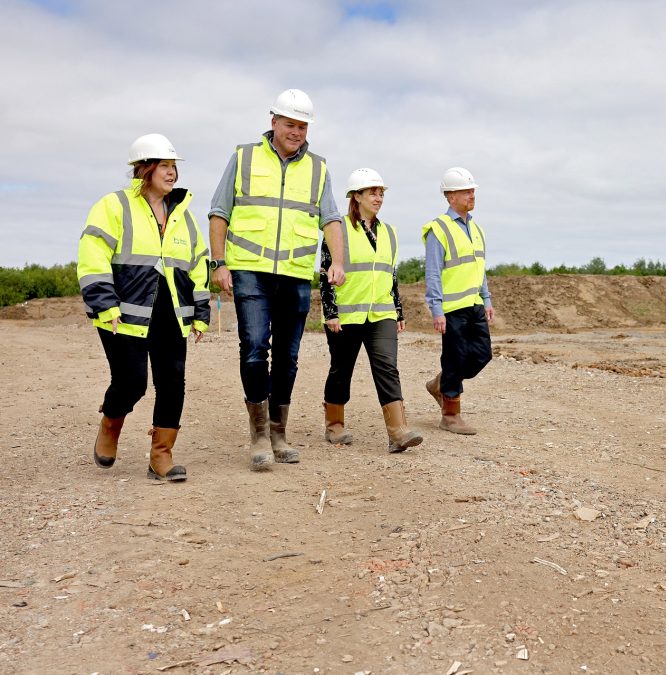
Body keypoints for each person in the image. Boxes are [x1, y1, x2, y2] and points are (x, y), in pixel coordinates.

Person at [207, 89, 346, 471]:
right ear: (273, 122)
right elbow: (219, 212)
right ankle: (258, 437)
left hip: (296, 275)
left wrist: (338, 261)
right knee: (254, 348)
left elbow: (331, 218)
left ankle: (278, 431)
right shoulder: (244, 158)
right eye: (290, 124)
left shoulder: (318, 168)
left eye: (303, 126)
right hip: (250, 270)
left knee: (288, 356)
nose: (296, 132)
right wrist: (218, 262)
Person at [77, 133, 210, 482]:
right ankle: (110, 424)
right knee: (132, 382)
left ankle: (161, 456)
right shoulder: (114, 205)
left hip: (171, 313)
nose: (171, 173)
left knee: (172, 383)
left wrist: (200, 313)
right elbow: (93, 255)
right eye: (164, 166)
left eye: (173, 166)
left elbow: (197, 264)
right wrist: (104, 303)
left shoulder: (183, 214)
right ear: (144, 169)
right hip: (123, 313)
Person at [320, 169, 423, 453]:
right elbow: (326, 270)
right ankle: (334, 425)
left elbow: (391, 274)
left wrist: (398, 310)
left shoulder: (389, 232)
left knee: (387, 368)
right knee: (342, 370)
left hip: (381, 313)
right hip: (347, 313)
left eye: (381, 193)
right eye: (372, 192)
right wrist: (331, 312)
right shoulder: (337, 228)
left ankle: (398, 432)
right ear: (357, 196)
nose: (378, 198)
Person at [421, 167, 494, 435]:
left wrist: (486, 298)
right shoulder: (437, 229)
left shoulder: (477, 229)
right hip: (451, 308)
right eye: (466, 191)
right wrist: (436, 308)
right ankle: (450, 416)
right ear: (450, 196)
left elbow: (479, 268)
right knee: (454, 359)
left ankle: (439, 384)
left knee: (482, 355)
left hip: (474, 304)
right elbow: (433, 272)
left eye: (473, 190)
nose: (471, 195)